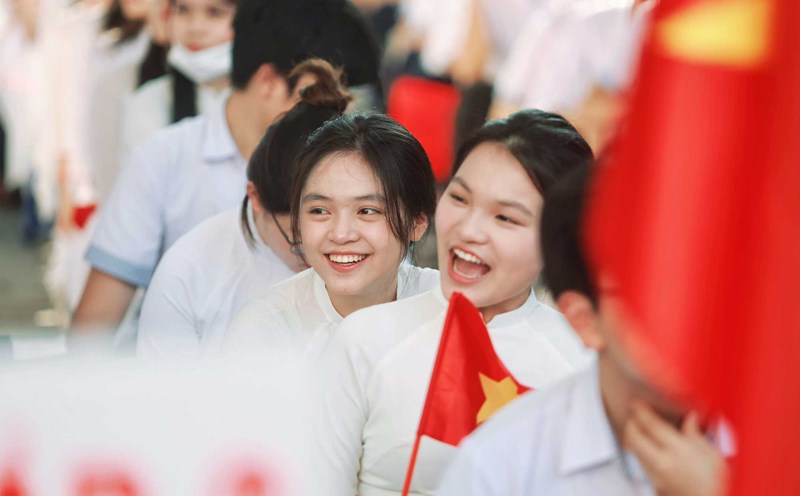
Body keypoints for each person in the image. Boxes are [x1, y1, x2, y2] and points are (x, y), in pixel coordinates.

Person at [312, 109, 595, 495]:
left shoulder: (583, 369)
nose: (469, 229)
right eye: (459, 198)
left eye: (505, 218)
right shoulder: (363, 339)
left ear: (558, 240)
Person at [72, 0, 381, 344]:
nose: (343, 118)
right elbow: (92, 331)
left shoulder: (356, 169)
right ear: (270, 83)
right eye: (328, 99)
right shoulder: (164, 160)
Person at [437, 166, 732, 495]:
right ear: (585, 321)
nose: (688, 315)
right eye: (647, 291)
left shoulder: (769, 441)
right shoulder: (500, 464)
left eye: (707, 283)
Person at [137, 59, 348, 358]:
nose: (329, 249)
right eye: (298, 245)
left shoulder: (373, 251)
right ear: (256, 197)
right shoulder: (188, 275)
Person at [224, 111, 439, 357]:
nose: (341, 234)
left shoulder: (450, 309)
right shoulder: (262, 332)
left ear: (417, 221)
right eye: (320, 210)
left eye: (367, 211)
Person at [120, 0, 238, 152]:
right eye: (183, 10)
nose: (195, 27)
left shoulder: (264, 101)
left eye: (215, 12)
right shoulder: (148, 101)